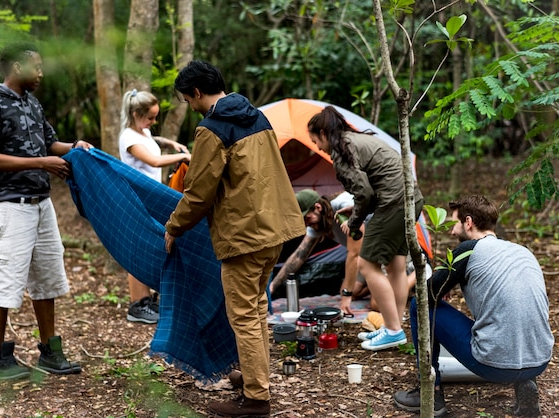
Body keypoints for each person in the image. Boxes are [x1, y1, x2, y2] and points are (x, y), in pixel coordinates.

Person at [163, 60, 304, 417]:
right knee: (256, 310)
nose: (190, 106)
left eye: (187, 99)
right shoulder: (258, 116)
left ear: (197, 92)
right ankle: (256, 379)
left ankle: (257, 400)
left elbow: (198, 192)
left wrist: (173, 226)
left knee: (244, 315)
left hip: (244, 235)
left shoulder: (212, 128)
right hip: (275, 228)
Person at [0, 41, 92, 380]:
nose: (41, 73)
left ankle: (50, 352)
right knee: (4, 281)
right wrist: (42, 162)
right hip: (9, 207)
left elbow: (48, 142)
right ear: (15, 67)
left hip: (41, 203)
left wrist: (73, 147)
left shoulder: (32, 103)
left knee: (47, 278)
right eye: (35, 67)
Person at [393, 195, 553, 417]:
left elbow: (427, 295)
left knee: (417, 305)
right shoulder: (522, 251)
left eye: (454, 223)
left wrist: (440, 286)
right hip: (539, 360)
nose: (451, 232)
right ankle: (525, 383)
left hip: (495, 365)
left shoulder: (469, 249)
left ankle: (430, 393)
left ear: (468, 222)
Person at [307, 106, 424, 351]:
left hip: (393, 202)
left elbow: (364, 192)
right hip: (412, 198)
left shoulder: (341, 153)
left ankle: (393, 330)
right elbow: (368, 191)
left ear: (323, 133)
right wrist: (360, 210)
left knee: (367, 264)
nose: (317, 146)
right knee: (395, 264)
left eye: (315, 140)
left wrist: (355, 220)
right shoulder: (356, 139)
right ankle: (394, 325)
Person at [118, 89, 190, 323]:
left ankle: (147, 300)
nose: (153, 122)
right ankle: (136, 305)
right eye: (150, 117)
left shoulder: (142, 132)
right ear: (136, 114)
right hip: (138, 199)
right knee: (138, 250)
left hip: (150, 198)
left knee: (150, 247)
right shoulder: (128, 138)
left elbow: (152, 141)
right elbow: (154, 160)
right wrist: (183, 157)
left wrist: (171, 143)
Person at [268, 189, 364, 315]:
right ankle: (375, 287)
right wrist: (272, 287)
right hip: (368, 257)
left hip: (385, 250)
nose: (307, 224)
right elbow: (299, 256)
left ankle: (389, 285)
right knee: (350, 290)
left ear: (317, 207)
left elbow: (354, 254)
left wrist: (346, 298)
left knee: (375, 303)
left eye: (307, 218)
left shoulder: (343, 205)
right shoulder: (320, 220)